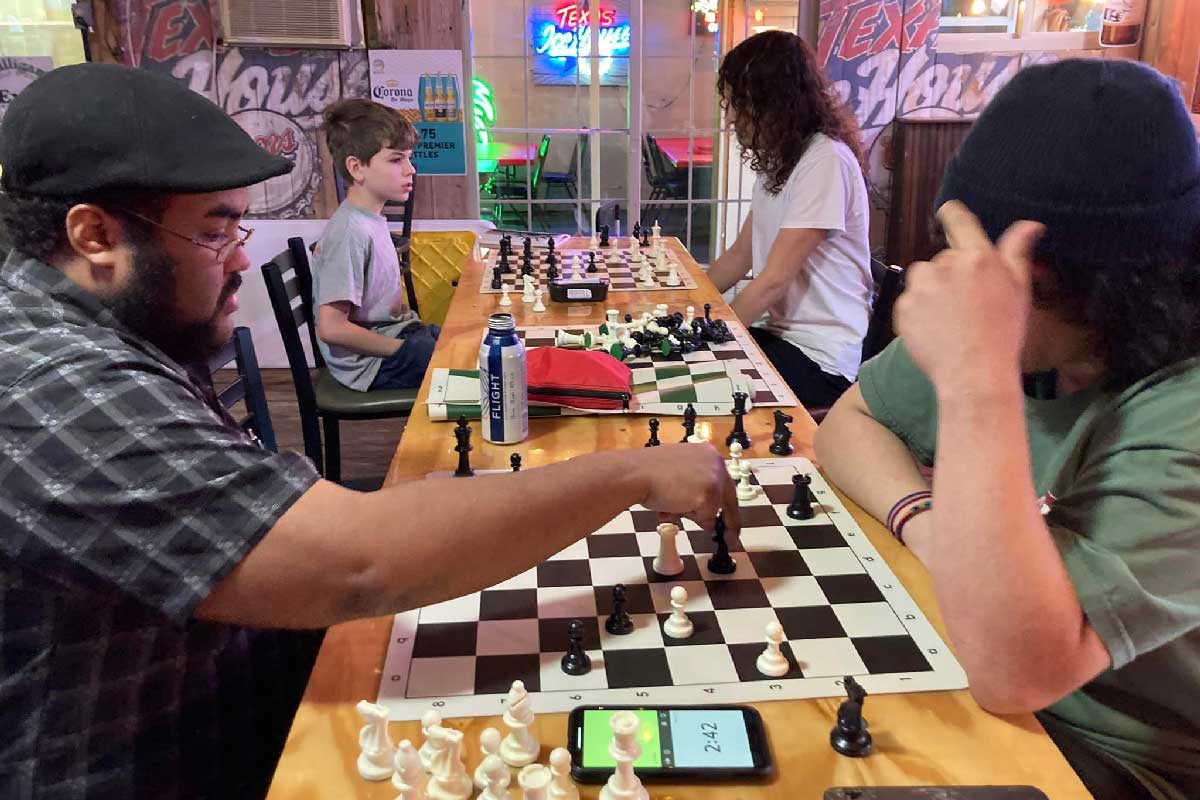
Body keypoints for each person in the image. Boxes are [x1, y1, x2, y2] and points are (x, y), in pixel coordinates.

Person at [0, 63, 739, 798]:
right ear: (94, 235)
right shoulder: (52, 387)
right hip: (186, 764)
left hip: (243, 686)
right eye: (214, 233)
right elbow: (360, 563)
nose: (241, 258)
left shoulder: (101, 326)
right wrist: (634, 472)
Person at [814, 59, 1200, 800]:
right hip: (961, 660)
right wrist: (926, 525)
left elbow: (1016, 675)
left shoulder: (1177, 406)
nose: (964, 283)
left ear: (1093, 290)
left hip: (1106, 759)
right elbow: (850, 425)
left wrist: (974, 380)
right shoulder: (1018, 327)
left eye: (997, 275)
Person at [706, 30, 873, 410]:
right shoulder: (780, 160)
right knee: (683, 372)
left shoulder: (824, 160)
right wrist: (687, 305)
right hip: (782, 338)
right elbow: (740, 256)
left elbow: (773, 281)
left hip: (820, 359)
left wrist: (708, 337)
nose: (731, 118)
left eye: (739, 104)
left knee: (697, 387)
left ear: (773, 102)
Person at [312, 98, 438, 391]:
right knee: (477, 367)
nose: (411, 169)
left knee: (470, 343)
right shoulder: (349, 232)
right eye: (396, 159)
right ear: (357, 168)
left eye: (408, 157)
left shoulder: (370, 219)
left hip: (396, 335)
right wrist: (401, 350)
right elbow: (331, 327)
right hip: (370, 364)